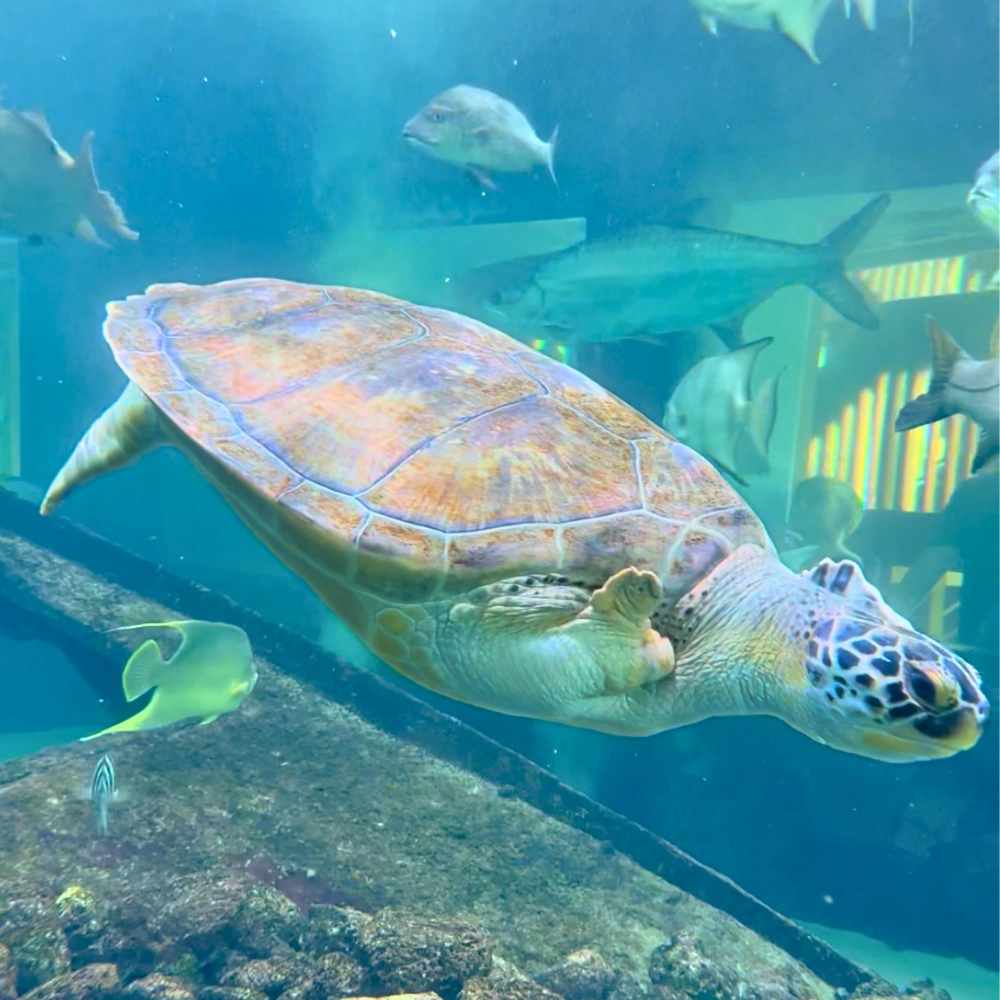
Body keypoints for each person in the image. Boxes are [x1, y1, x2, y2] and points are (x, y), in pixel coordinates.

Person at [891, 459, 999, 651]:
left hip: (979, 647)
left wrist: (884, 619)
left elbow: (936, 560)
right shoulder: (978, 492)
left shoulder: (977, 492)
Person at [779, 476, 866, 574]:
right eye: (796, 500)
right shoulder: (783, 550)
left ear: (844, 517)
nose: (801, 505)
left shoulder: (845, 564)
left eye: (813, 501)